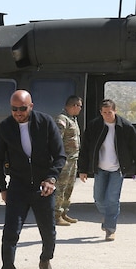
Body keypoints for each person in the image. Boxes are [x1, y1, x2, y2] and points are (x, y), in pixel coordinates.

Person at [0, 90, 66, 269]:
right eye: (14, 109)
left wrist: (51, 179)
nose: (18, 113)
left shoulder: (45, 123)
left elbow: (60, 156)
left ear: (31, 106)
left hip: (44, 186)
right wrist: (2, 187)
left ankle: (45, 261)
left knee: (48, 232)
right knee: (10, 233)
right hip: (18, 186)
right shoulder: (5, 128)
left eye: (22, 109)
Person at [78, 98, 136, 241]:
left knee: (112, 199)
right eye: (104, 112)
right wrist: (83, 169)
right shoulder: (94, 126)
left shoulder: (125, 127)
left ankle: (110, 228)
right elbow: (85, 149)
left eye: (110, 112)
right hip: (100, 168)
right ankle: (108, 217)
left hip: (117, 169)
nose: (107, 115)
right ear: (100, 113)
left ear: (115, 111)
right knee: (99, 199)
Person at [54, 95, 82, 226]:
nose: (80, 109)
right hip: (65, 160)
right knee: (61, 187)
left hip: (73, 160)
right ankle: (56, 214)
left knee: (69, 187)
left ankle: (64, 212)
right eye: (79, 106)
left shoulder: (72, 119)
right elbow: (57, 140)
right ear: (74, 106)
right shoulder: (62, 119)